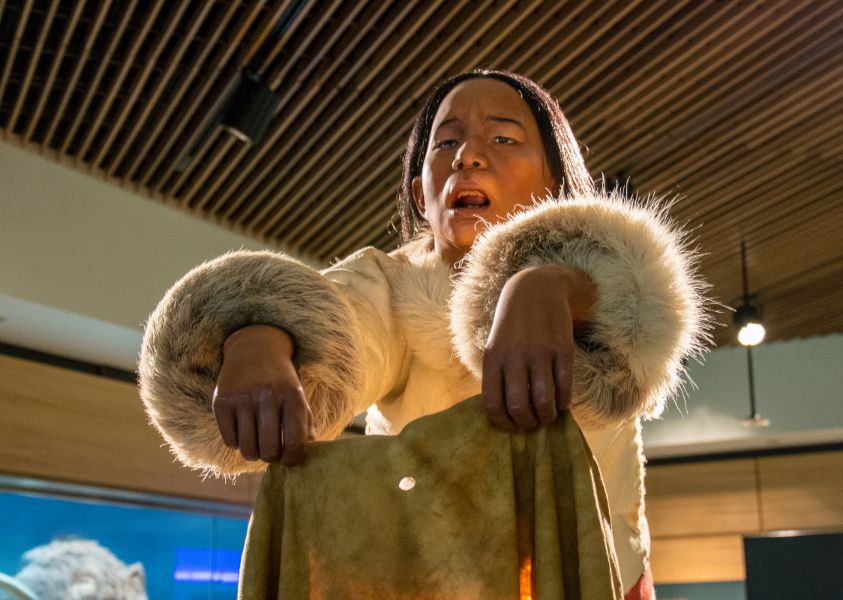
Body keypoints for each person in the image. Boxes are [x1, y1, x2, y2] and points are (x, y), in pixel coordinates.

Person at [139, 69, 707, 599]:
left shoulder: (613, 275)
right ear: (421, 195)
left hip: (593, 575)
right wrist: (257, 337)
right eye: (445, 142)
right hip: (426, 575)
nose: (468, 156)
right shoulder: (391, 286)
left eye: (505, 140)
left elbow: (631, 319)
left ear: (555, 182)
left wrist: (553, 286)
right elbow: (341, 325)